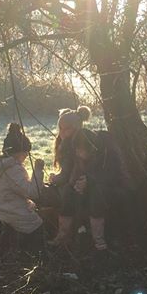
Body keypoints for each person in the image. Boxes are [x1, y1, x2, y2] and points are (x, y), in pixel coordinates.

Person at [46, 105, 123, 252]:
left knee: (96, 197)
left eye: (66, 129)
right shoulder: (67, 145)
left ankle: (98, 240)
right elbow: (69, 172)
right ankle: (62, 237)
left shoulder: (90, 141)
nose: (62, 133)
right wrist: (59, 179)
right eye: (60, 128)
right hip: (79, 185)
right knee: (67, 194)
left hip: (101, 186)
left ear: (76, 127)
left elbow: (106, 171)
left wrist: (88, 181)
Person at [0, 123, 45, 251]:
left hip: (3, 209)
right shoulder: (14, 170)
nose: (26, 157)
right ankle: (19, 244)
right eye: (25, 154)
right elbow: (32, 192)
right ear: (18, 153)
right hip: (18, 213)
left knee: (4, 218)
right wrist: (38, 171)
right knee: (39, 228)